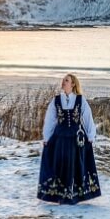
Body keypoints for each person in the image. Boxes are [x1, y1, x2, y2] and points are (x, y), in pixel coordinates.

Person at [37, 73, 101, 204]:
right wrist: (47, 137)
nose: (63, 82)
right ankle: (60, 194)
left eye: (66, 80)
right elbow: (49, 120)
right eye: (63, 80)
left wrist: (90, 135)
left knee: (75, 165)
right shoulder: (56, 100)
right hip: (60, 137)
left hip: (76, 138)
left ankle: (74, 195)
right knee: (60, 164)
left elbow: (88, 117)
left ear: (73, 84)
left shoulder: (80, 100)